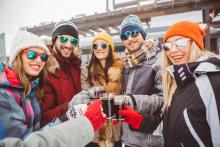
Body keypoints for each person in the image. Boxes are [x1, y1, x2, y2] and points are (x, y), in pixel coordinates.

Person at [119, 21, 220, 147]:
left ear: (195, 44)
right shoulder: (177, 81)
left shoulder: (213, 82)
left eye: (181, 43)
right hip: (131, 138)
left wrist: (133, 101)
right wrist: (140, 120)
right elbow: (169, 124)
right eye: (167, 46)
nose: (173, 50)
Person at [114, 14, 164, 147]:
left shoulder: (159, 59)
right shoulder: (125, 62)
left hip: (150, 140)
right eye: (125, 35)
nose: (130, 38)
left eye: (134, 33)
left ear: (143, 34)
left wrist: (133, 101)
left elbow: (164, 98)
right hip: (128, 138)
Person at [0, 100, 106, 147]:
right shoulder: (4, 97)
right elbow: (28, 142)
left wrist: (66, 117)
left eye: (44, 57)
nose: (38, 60)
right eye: (31, 54)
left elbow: (37, 132)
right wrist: (85, 122)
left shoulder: (31, 87)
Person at [81, 32, 124, 147]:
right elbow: (85, 96)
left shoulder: (121, 69)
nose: (99, 48)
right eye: (95, 46)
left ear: (110, 47)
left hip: (115, 129)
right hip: (95, 128)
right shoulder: (86, 71)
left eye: (103, 45)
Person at [40, 20, 82, 127]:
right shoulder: (45, 69)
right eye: (63, 39)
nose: (68, 45)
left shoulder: (75, 67)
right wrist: (69, 106)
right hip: (59, 136)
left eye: (73, 41)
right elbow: (44, 118)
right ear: (54, 40)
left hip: (79, 132)